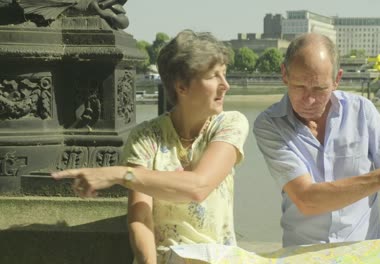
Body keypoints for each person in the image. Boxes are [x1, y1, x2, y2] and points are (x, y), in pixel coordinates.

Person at [253, 33, 380, 263]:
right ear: (284, 74)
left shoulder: (362, 111)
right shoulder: (269, 124)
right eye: (299, 86)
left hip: (365, 254)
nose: (309, 100)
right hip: (303, 256)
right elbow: (306, 199)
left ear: (337, 79)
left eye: (320, 89)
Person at [52, 30, 249, 264]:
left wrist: (118, 174)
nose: (225, 85)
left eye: (224, 75)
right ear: (181, 87)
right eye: (213, 76)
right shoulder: (146, 136)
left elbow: (199, 186)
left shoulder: (230, 123)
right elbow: (140, 216)